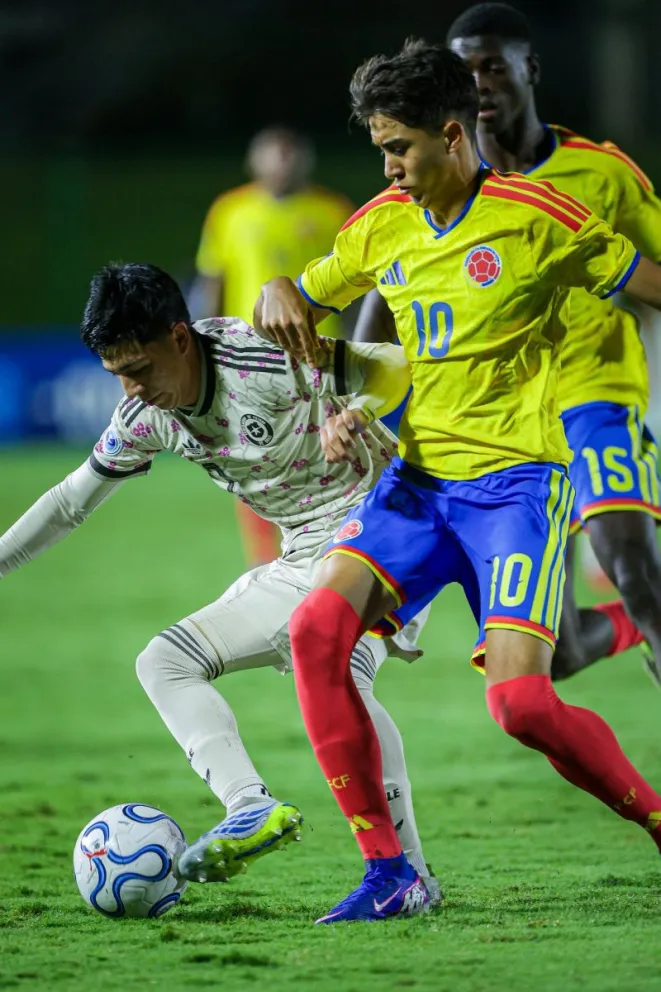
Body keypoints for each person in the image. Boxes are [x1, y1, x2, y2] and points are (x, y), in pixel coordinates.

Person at [256, 39, 661, 924]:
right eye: (378, 150)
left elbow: (647, 283)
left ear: (449, 134)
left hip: (519, 487)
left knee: (519, 705)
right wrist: (279, 288)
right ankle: (391, 872)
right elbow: (303, 295)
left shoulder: (538, 217)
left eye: (397, 148)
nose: (388, 167)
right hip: (418, 485)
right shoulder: (379, 224)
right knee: (316, 628)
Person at [0, 262, 440, 905]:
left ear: (180, 339)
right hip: (306, 553)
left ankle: (406, 879)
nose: (132, 389)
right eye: (116, 374)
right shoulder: (146, 415)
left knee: (338, 670)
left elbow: (390, 366)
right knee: (166, 661)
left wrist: (359, 414)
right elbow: (71, 502)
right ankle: (254, 808)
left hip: (384, 524)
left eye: (140, 369)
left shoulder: (258, 357)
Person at [357, 3, 661, 688]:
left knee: (632, 568)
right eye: (464, 70)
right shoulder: (430, 185)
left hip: (595, 395)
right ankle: (627, 623)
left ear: (530, 68)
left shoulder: (602, 175)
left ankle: (645, 611)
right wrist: (364, 403)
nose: (479, 83)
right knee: (552, 659)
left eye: (492, 66)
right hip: (498, 432)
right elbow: (381, 295)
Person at [190, 127, 354, 570]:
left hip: (321, 357)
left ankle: (336, 551)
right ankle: (266, 563)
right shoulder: (229, 211)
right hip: (251, 358)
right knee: (255, 456)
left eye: (290, 154)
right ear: (253, 162)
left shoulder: (335, 209)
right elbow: (213, 281)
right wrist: (205, 347)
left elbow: (361, 284)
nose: (282, 163)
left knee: (333, 455)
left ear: (306, 160)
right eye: (272, 155)